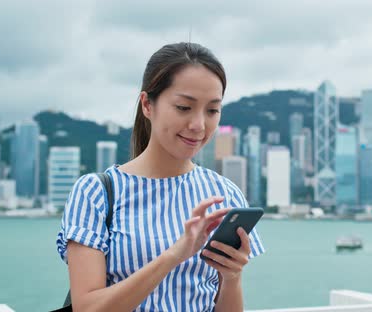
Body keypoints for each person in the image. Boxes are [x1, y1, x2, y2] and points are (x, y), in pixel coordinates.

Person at [56, 42, 265, 312]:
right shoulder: (96, 193)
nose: (199, 125)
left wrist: (232, 277)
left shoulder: (224, 194)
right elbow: (86, 308)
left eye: (212, 110)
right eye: (183, 107)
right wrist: (173, 255)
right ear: (147, 105)